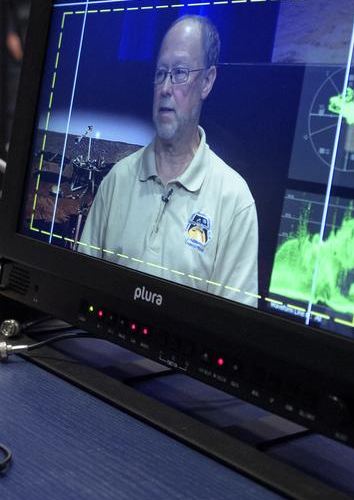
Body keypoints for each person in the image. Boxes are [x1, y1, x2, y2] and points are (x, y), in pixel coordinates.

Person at [78, 15, 260, 306]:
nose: (165, 87)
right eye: (161, 72)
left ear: (207, 82)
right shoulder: (118, 179)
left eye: (179, 73)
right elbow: (81, 288)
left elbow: (234, 329)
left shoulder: (234, 200)